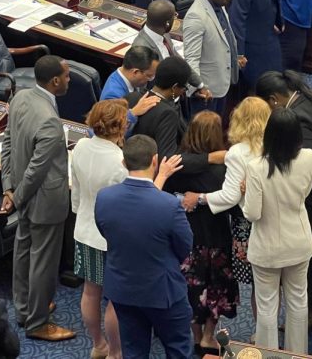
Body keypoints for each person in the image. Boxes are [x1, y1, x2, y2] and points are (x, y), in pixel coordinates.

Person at [255, 70, 312, 321]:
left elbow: (305, 169)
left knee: (310, 258)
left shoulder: (296, 118)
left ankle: (311, 308)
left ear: (273, 100)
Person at [95, 135, 193, 359]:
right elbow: (185, 247)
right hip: (163, 291)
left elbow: (106, 233)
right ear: (155, 161)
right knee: (178, 349)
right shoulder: (169, 204)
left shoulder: (104, 198)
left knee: (133, 351)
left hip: (122, 289)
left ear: (123, 162)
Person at [0, 55, 75, 340]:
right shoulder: (50, 122)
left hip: (22, 192)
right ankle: (38, 322)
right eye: (67, 76)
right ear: (55, 81)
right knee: (43, 262)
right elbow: (37, 171)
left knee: (23, 252)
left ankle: (25, 309)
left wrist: (9, 187)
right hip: (43, 201)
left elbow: (7, 141)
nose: (70, 80)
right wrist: (17, 196)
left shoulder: (20, 97)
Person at [181, 97, 271, 310]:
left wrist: (199, 197)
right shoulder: (276, 146)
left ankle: (262, 339)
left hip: (247, 225)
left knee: (261, 287)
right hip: (276, 219)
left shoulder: (237, 152)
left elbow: (230, 197)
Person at [244, 108, 312, 354]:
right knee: (298, 301)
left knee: (266, 307)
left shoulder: (255, 167)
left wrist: (244, 194)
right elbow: (304, 193)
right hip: (299, 242)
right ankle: (298, 354)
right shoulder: (308, 156)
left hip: (267, 248)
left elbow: (252, 213)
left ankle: (269, 354)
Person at [164, 112, 237, 351]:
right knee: (216, 288)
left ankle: (195, 336)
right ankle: (208, 336)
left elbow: (164, 196)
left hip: (186, 238)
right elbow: (233, 203)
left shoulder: (177, 166)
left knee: (191, 287)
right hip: (216, 237)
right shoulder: (223, 170)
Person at [72, 100, 129, 359]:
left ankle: (98, 345)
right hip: (112, 239)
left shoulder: (81, 146)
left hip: (84, 229)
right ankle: (116, 353)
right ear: (120, 125)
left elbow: (76, 190)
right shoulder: (120, 161)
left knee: (90, 290)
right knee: (115, 298)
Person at [230, 0, 297, 93]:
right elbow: (237, 17)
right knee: (259, 89)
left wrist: (275, 20)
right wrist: (238, 53)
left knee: (276, 82)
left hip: (268, 36)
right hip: (251, 46)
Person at [183, 0, 242, 116]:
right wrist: (199, 87)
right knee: (204, 137)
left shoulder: (218, 5)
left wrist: (234, 59)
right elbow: (191, 59)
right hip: (206, 93)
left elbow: (222, 38)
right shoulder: (196, 16)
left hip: (222, 84)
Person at [131, 0, 211, 100]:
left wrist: (200, 85)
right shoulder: (140, 48)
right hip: (159, 105)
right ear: (167, 23)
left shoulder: (164, 33)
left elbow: (179, 63)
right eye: (174, 16)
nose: (175, 18)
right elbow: (140, 87)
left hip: (176, 97)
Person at [100, 45, 161, 132]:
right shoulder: (113, 95)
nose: (151, 80)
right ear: (135, 72)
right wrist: (133, 113)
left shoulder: (126, 78)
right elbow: (111, 130)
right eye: (149, 76)